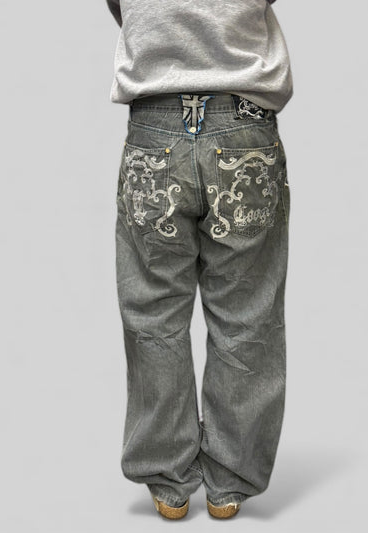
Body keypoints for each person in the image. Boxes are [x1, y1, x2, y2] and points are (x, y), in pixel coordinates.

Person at [106, 0, 293, 520]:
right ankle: (229, 482)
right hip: (244, 125)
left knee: (153, 313)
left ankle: (167, 481)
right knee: (247, 312)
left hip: (154, 127)